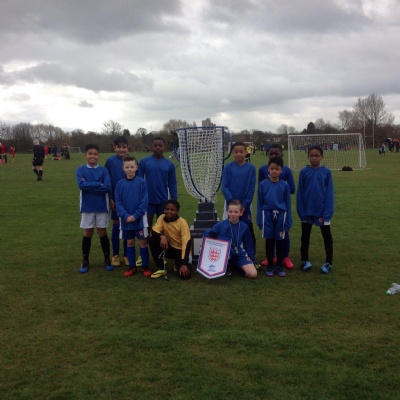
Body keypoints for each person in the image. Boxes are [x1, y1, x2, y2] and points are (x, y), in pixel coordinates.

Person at [76, 144, 113, 274]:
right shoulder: (81, 169)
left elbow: (107, 187)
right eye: (90, 154)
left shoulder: (103, 170)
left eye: (95, 154)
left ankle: (107, 259)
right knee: (88, 232)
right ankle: (85, 260)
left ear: (99, 156)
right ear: (85, 155)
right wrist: (98, 184)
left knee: (102, 231)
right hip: (87, 206)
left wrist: (90, 187)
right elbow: (81, 185)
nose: (93, 156)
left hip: (102, 206)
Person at [297, 145, 334, 274]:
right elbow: (300, 193)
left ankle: (328, 262)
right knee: (305, 237)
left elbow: (329, 193)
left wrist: (327, 213)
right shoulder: (303, 172)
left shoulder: (326, 172)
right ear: (308, 157)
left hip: (322, 212)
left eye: (316, 155)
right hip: (307, 212)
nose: (314, 158)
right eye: (311, 155)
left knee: (327, 237)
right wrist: (301, 212)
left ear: (322, 157)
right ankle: (304, 261)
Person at [259, 144, 295, 269]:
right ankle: (271, 257)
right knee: (269, 234)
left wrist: (279, 190)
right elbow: (261, 188)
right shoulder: (263, 169)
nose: (273, 155)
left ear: (282, 154)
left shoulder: (286, 170)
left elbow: (292, 189)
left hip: (281, 209)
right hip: (268, 209)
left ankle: (285, 256)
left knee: (284, 233)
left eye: (276, 153)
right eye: (271, 154)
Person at [115, 156, 151, 277]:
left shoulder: (141, 182)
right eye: (127, 167)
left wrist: (135, 216)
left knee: (142, 242)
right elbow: (118, 202)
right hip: (126, 220)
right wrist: (125, 216)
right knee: (129, 242)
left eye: (132, 167)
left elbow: (144, 201)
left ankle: (145, 266)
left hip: (139, 220)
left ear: (136, 168)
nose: (129, 169)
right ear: (123, 168)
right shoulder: (120, 184)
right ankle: (132, 267)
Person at [206, 200, 257, 279]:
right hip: (224, 254)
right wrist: (211, 233)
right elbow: (207, 234)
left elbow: (249, 245)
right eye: (230, 211)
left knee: (253, 274)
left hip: (239, 253)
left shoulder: (244, 226)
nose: (233, 214)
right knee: (227, 258)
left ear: (241, 213)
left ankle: (236, 265)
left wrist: (251, 260)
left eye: (236, 212)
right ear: (227, 212)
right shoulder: (221, 224)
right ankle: (228, 265)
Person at [221, 142, 257, 252]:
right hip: (231, 207)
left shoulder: (251, 168)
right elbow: (224, 187)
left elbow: (251, 188)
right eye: (236, 152)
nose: (238, 154)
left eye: (241, 151)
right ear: (232, 152)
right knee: (229, 231)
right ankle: (229, 256)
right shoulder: (228, 167)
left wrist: (244, 205)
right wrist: (232, 204)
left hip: (245, 207)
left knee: (248, 232)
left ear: (246, 152)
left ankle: (250, 257)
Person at [138, 137, 178, 228]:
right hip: (148, 200)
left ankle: (159, 238)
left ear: (164, 147)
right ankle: (147, 238)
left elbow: (172, 183)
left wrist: (174, 200)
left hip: (163, 200)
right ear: (151, 147)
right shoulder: (144, 162)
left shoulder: (169, 164)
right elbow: (139, 181)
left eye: (160, 145)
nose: (158, 147)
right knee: (147, 225)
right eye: (155, 145)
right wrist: (139, 197)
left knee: (162, 226)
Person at [149, 200, 192, 280]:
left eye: (172, 210)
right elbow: (154, 230)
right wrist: (162, 236)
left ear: (177, 211)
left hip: (180, 250)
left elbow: (186, 243)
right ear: (164, 209)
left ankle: (179, 263)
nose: (169, 211)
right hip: (168, 247)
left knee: (184, 276)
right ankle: (161, 267)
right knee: (152, 240)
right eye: (167, 209)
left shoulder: (182, 222)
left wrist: (183, 263)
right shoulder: (161, 218)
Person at [105, 136, 130, 267]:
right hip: (115, 200)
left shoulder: (131, 160)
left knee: (127, 225)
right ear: (114, 148)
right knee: (116, 224)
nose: (121, 149)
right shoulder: (110, 161)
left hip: (129, 199)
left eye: (124, 147)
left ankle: (127, 254)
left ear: (127, 148)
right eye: (118, 147)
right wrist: (110, 198)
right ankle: (115, 255)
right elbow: (107, 181)